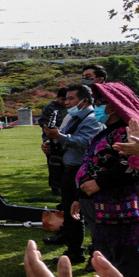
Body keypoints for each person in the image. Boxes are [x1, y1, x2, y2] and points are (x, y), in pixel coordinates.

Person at [70, 82, 139, 277]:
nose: (97, 107)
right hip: (98, 207)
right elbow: (90, 165)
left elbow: (133, 165)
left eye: (101, 103)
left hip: (121, 209)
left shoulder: (126, 132)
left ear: (114, 105)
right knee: (108, 261)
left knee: (128, 262)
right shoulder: (104, 133)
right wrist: (79, 196)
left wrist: (99, 183)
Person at [41, 84, 103, 267]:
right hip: (68, 170)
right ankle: (74, 251)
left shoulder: (93, 119)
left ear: (84, 101)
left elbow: (85, 143)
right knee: (70, 214)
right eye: (66, 99)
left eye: (71, 99)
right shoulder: (73, 118)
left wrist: (59, 137)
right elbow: (64, 139)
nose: (67, 102)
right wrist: (50, 144)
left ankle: (97, 256)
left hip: (83, 172)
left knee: (90, 215)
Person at [39, 88, 68, 196]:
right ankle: (55, 187)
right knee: (53, 163)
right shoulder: (50, 108)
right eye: (62, 99)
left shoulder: (71, 107)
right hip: (51, 138)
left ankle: (65, 185)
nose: (65, 102)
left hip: (66, 138)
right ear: (57, 97)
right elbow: (42, 122)